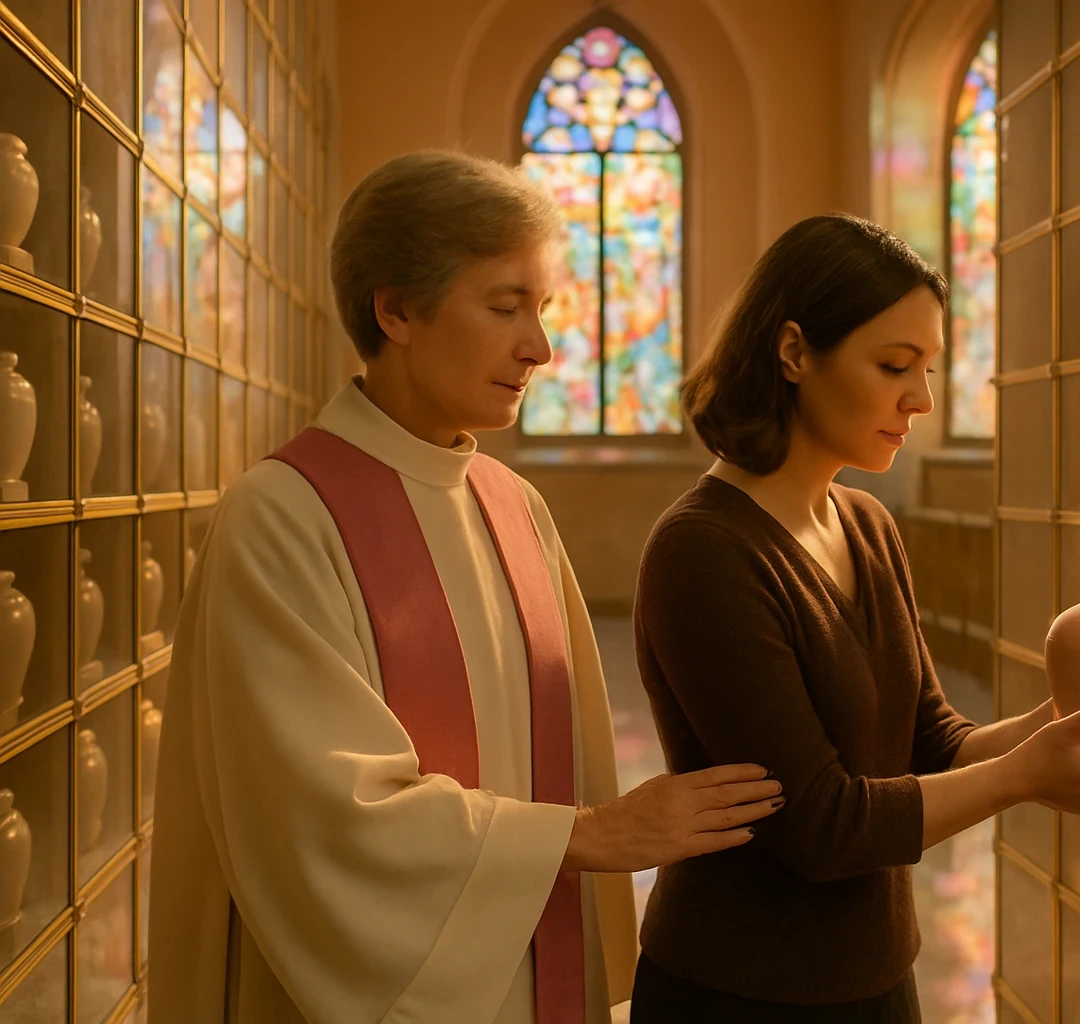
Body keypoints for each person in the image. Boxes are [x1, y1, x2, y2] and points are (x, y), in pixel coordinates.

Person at [148, 150, 783, 1024]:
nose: (542, 348)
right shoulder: (282, 517)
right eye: (504, 306)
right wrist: (595, 835)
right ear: (396, 309)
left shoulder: (514, 506)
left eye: (543, 310)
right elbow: (324, 818)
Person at [629, 213, 1080, 1023]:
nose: (920, 400)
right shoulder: (703, 553)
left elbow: (932, 741)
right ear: (792, 353)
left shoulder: (867, 524)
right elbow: (822, 825)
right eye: (895, 366)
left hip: (878, 974)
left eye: (928, 368)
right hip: (739, 989)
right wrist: (1028, 774)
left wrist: (1078, 715)